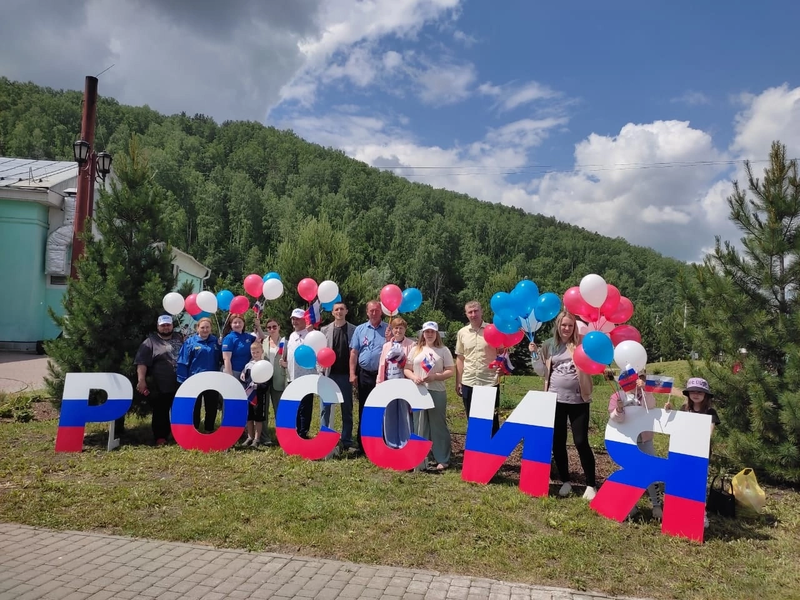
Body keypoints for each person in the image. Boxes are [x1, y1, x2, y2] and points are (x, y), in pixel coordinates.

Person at [530, 311, 597, 500]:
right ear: (558, 326)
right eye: (563, 325)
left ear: (574, 327)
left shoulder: (581, 344)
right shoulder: (549, 346)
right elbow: (542, 372)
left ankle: (591, 484)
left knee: (581, 441)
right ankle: (565, 481)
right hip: (555, 400)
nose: (566, 328)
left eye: (570, 325)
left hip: (578, 400)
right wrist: (534, 355)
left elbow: (593, 364)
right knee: (557, 442)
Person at [606, 368, 662, 519]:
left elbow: (651, 406)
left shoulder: (643, 394)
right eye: (627, 381)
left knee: (651, 471)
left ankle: (656, 505)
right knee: (629, 473)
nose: (631, 383)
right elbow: (616, 418)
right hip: (627, 441)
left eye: (635, 380)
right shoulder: (616, 396)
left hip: (645, 439)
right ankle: (631, 504)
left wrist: (647, 391)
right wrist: (618, 409)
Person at [666, 376, 720, 529]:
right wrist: (669, 411)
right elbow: (675, 425)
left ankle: (701, 514)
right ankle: (681, 510)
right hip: (683, 451)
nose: (696, 394)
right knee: (682, 481)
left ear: (706, 395)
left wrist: (700, 438)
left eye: (700, 392)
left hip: (700, 454)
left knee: (699, 483)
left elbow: (709, 431)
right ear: (688, 394)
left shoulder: (710, 412)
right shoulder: (684, 409)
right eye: (692, 391)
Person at [405, 321, 455, 470]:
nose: (429, 334)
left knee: (438, 425)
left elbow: (450, 371)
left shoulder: (443, 350)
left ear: (437, 333)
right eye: (427, 331)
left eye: (432, 332)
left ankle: (442, 458)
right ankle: (421, 456)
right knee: (420, 424)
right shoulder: (415, 349)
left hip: (436, 391)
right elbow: (407, 369)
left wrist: (435, 377)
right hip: (418, 391)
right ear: (423, 333)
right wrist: (414, 378)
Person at [134, 314, 185, 445]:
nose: (166, 327)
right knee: (160, 411)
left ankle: (182, 436)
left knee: (181, 411)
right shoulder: (150, 342)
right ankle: (160, 437)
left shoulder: (181, 338)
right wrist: (141, 380)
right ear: (158, 326)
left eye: (168, 325)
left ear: (172, 325)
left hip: (182, 384)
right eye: (163, 325)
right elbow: (142, 362)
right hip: (161, 385)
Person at [349, 300, 390, 451]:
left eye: (377, 310)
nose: (374, 313)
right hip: (364, 374)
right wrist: (352, 373)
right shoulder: (360, 330)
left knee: (382, 407)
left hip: (383, 375)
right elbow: (354, 353)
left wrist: (390, 339)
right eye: (371, 310)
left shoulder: (388, 329)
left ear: (381, 312)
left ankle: (382, 440)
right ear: (367, 312)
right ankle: (363, 443)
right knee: (365, 407)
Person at [455, 301, 500, 433]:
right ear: (466, 314)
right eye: (470, 312)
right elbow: (460, 358)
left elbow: (502, 352)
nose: (473, 314)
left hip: (489, 382)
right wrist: (458, 381)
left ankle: (493, 452)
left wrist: (502, 367)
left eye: (476, 311)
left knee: (492, 420)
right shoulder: (462, 333)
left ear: (482, 311)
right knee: (472, 420)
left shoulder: (493, 330)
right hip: (468, 382)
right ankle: (476, 452)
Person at [176, 317, 222, 433]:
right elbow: (182, 361)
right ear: (197, 328)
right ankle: (194, 429)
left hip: (212, 380)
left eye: (207, 327)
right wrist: (182, 381)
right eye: (202, 327)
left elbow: (222, 359)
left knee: (211, 406)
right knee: (194, 407)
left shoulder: (216, 342)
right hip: (194, 380)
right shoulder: (190, 342)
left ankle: (209, 429)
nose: (205, 330)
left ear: (211, 328)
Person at [320, 301, 356, 448]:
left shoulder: (354, 330)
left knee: (347, 409)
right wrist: (320, 370)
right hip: (329, 374)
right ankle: (325, 437)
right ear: (333, 312)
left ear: (346, 311)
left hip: (346, 376)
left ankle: (346, 440)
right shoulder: (324, 330)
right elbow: (319, 351)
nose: (339, 312)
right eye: (336, 309)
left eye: (342, 309)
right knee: (325, 408)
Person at [377, 317, 416, 449]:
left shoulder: (412, 345)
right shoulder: (386, 346)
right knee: (389, 414)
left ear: (405, 329)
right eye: (395, 328)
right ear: (392, 330)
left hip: (405, 385)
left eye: (401, 328)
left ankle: (406, 443)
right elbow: (382, 366)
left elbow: (413, 366)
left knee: (404, 414)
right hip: (389, 384)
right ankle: (391, 443)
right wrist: (379, 384)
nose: (398, 330)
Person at [281, 308, 317, 438]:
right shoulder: (291, 335)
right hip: (292, 376)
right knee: (295, 405)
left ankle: (303, 432)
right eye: (293, 319)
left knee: (305, 407)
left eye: (297, 319)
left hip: (307, 376)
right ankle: (295, 431)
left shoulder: (310, 334)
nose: (294, 321)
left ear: (304, 319)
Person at [260, 317, 287, 445]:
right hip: (264, 379)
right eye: (269, 327)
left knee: (280, 410)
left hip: (279, 379)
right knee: (264, 410)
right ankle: (265, 438)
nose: (272, 329)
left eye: (274, 327)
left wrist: (286, 364)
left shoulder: (285, 342)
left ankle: (282, 437)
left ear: (279, 327)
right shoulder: (263, 341)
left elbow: (291, 360)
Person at [240, 341, 269, 447]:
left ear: (262, 351)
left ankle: (257, 439)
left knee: (258, 418)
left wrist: (258, 386)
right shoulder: (248, 365)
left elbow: (266, 383)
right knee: (249, 417)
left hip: (259, 395)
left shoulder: (265, 365)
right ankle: (250, 437)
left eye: (257, 352)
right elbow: (245, 380)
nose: (255, 354)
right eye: (253, 352)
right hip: (249, 395)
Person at [222, 313, 264, 381]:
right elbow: (226, 359)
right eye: (235, 322)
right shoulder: (229, 338)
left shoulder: (247, 336)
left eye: (240, 322)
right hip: (235, 372)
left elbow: (262, 338)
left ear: (243, 324)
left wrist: (258, 326)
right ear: (231, 324)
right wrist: (230, 377)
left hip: (248, 371)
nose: (238, 324)